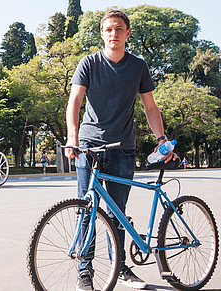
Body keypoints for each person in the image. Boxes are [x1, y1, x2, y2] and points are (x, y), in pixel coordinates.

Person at [64, 10, 178, 291]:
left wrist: (161, 138)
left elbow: (150, 107)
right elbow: (75, 101)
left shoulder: (138, 66)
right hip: (89, 146)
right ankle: (84, 271)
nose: (113, 33)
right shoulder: (89, 63)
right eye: (108, 29)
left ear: (127, 33)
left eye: (119, 29)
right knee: (86, 210)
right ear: (102, 34)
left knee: (117, 214)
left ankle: (121, 267)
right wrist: (73, 136)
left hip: (123, 148)